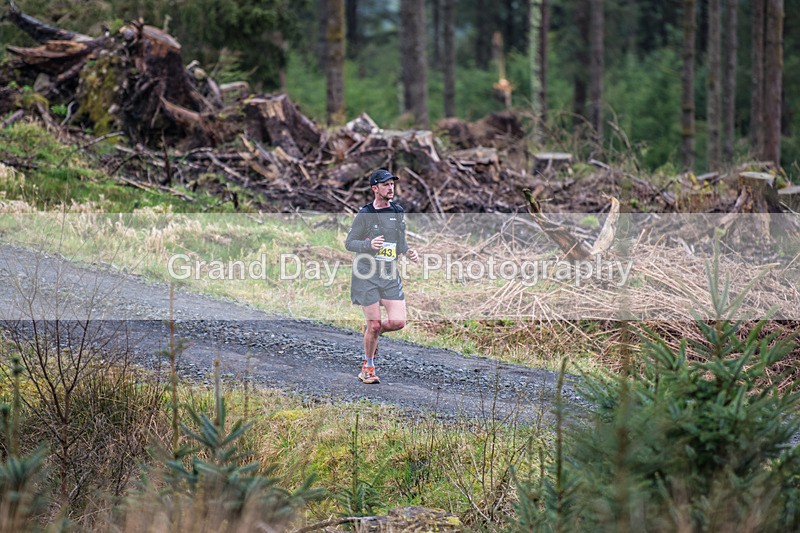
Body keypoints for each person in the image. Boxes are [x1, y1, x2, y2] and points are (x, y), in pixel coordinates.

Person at [345, 168, 419, 384]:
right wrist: (368, 245)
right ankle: (368, 367)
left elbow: (400, 241)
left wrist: (408, 251)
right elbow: (349, 243)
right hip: (366, 275)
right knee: (375, 324)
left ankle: (371, 333)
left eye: (392, 184)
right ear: (375, 188)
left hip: (388, 275)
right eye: (386, 185)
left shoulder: (397, 211)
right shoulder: (365, 214)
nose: (391, 188)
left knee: (398, 322)